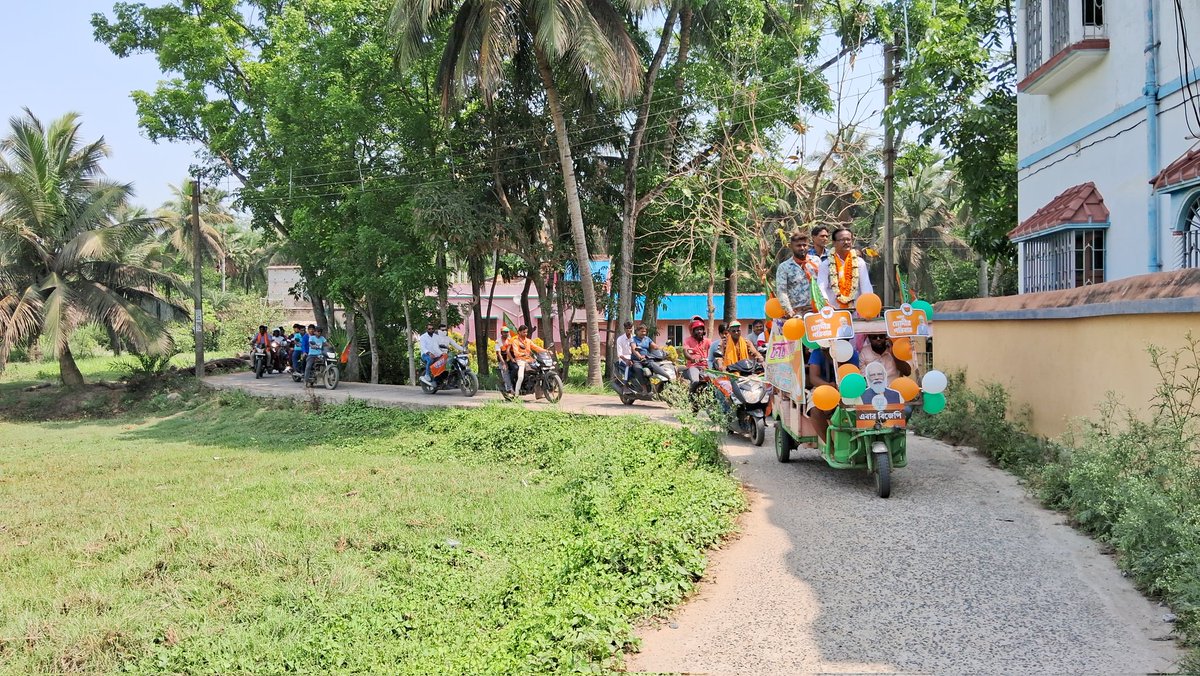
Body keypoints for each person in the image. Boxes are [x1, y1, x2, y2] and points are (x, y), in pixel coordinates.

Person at [807, 343, 860, 443]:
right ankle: (829, 445)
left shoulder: (851, 353)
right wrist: (829, 385)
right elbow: (813, 378)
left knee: (861, 408)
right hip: (822, 387)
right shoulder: (818, 352)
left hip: (847, 387)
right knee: (814, 409)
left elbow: (853, 375)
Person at [818, 227, 873, 310]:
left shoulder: (859, 262)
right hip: (834, 312)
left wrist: (868, 307)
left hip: (856, 312)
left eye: (848, 239)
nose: (846, 242)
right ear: (834, 243)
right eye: (842, 240)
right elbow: (821, 287)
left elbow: (865, 286)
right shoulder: (826, 264)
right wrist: (826, 304)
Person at [776, 230, 825, 318]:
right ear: (791, 247)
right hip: (797, 313)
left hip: (818, 310)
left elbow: (823, 284)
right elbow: (782, 291)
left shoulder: (816, 261)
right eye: (798, 246)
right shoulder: (784, 267)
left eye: (804, 245)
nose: (802, 248)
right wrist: (789, 311)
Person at [508, 324, 547, 395]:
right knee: (520, 376)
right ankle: (516, 394)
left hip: (530, 360)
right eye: (524, 332)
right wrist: (522, 354)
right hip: (521, 360)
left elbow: (536, 347)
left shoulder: (528, 341)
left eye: (526, 332)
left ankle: (539, 392)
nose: (525, 334)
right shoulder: (515, 341)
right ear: (519, 332)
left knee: (540, 372)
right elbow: (516, 353)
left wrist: (545, 351)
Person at [681, 320, 711, 391]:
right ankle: (690, 396)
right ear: (693, 331)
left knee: (714, 381)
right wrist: (692, 359)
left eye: (701, 329)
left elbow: (714, 349)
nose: (699, 331)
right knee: (695, 381)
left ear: (703, 331)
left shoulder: (707, 341)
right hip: (693, 366)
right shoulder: (687, 340)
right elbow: (686, 352)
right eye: (697, 330)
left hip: (706, 367)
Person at [614, 321, 637, 392]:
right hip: (623, 360)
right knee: (628, 367)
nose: (629, 330)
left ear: (632, 328)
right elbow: (620, 354)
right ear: (624, 329)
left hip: (634, 359)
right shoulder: (620, 339)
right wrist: (626, 360)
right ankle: (625, 386)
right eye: (627, 328)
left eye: (630, 328)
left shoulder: (635, 338)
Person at [495, 326, 513, 392]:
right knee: (505, 371)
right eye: (504, 332)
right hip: (502, 360)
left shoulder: (510, 340)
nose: (506, 333)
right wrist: (503, 363)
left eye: (507, 332)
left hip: (510, 359)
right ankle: (509, 388)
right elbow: (499, 353)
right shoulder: (498, 341)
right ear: (501, 333)